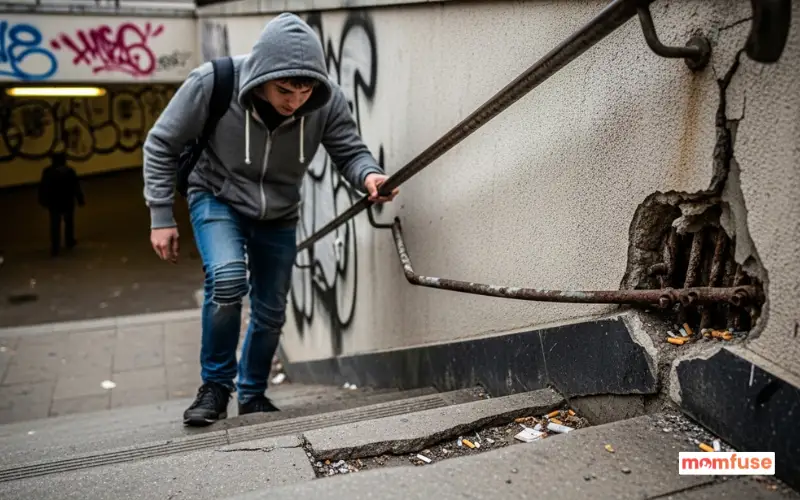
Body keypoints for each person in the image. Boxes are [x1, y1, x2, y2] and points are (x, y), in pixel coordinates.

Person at [143, 13, 399, 426]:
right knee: (227, 280)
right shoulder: (212, 83)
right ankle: (215, 387)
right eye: (284, 89)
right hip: (216, 195)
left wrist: (370, 176)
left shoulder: (327, 99)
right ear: (262, 74)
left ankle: (252, 394)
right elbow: (161, 143)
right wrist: (160, 216)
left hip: (278, 212)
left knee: (271, 309)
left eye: (304, 89)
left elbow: (350, 152)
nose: (295, 100)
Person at [38, 152, 85, 256]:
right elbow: (76, 187)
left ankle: (55, 246)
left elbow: (43, 188)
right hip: (67, 201)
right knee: (69, 222)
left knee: (55, 224)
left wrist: (43, 200)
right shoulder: (70, 171)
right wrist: (80, 199)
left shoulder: (48, 172)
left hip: (54, 202)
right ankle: (69, 241)